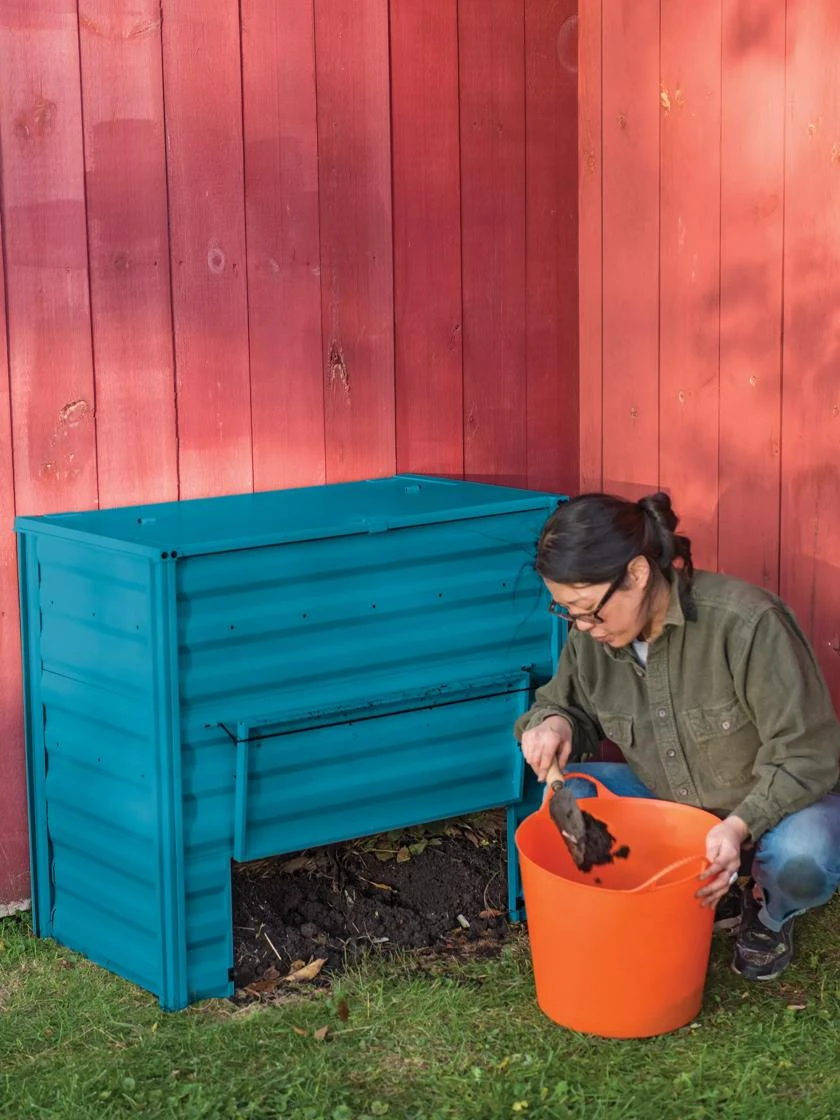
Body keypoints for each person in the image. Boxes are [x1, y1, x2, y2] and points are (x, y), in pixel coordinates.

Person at [515, 490, 840, 981]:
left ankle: (768, 910)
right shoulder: (592, 637)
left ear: (637, 573)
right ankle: (639, 896)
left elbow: (807, 754)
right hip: (669, 804)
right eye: (566, 612)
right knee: (571, 795)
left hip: (770, 811)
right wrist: (552, 723)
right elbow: (564, 705)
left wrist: (740, 825)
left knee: (806, 854)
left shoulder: (747, 624)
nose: (581, 627)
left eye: (587, 609)